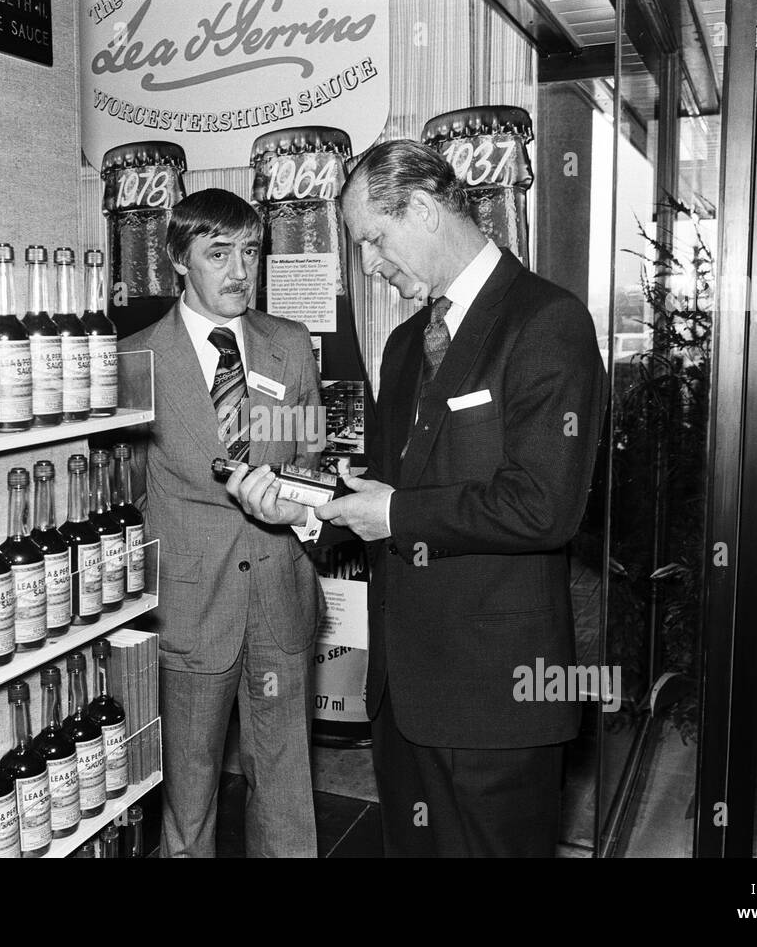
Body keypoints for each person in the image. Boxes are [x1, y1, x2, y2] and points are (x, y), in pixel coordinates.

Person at [231, 139, 607, 857]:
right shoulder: (405, 345)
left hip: (498, 701)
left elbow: (544, 504)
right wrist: (302, 508)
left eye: (373, 240)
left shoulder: (547, 322)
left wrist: (396, 512)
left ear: (427, 210)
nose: (369, 266)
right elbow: (378, 490)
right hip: (401, 695)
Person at [119, 187, 325, 857]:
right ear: (178, 258)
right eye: (218, 253)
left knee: (286, 787)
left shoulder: (289, 347)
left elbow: (312, 464)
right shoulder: (135, 361)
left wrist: (302, 510)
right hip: (188, 607)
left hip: (279, 598)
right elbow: (121, 497)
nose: (239, 271)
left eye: (250, 251)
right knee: (190, 792)